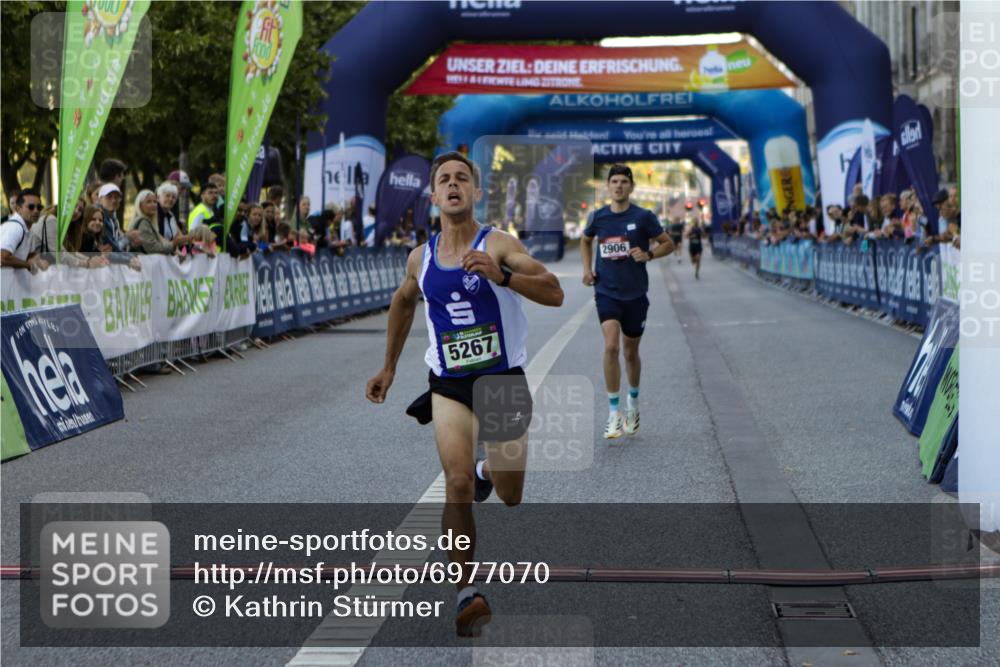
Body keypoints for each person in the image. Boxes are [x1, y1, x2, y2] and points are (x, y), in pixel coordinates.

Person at [365, 151, 563, 637]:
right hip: (449, 382)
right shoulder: (421, 256)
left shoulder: (497, 244)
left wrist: (504, 277)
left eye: (462, 179)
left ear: (475, 192)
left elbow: (554, 291)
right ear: (433, 196)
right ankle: (466, 593)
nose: (453, 185)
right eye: (444, 180)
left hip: (501, 381)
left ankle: (485, 470)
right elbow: (403, 302)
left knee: (510, 494)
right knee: (454, 486)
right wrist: (388, 368)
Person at [579, 164, 674, 439]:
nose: (619, 186)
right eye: (614, 181)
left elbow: (667, 242)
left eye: (624, 182)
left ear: (631, 187)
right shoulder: (599, 217)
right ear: (608, 187)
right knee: (610, 346)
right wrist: (587, 270)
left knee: (630, 352)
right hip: (606, 291)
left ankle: (633, 403)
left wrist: (649, 255)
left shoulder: (643, 216)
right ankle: (613, 413)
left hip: (635, 295)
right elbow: (585, 241)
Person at [29, 197, 91, 266]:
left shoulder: (64, 225)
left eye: (80, 210)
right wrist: (87, 263)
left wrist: (89, 260)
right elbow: (60, 255)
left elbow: (70, 251)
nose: (76, 211)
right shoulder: (50, 220)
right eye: (74, 206)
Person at [0, 188, 49, 273]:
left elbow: (26, 255)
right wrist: (28, 265)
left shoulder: (26, 228)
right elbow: (2, 257)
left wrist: (37, 261)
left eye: (39, 207)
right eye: (31, 207)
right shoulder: (15, 227)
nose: (36, 211)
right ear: (18, 209)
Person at [129, 190, 191, 254]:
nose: (153, 205)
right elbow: (153, 249)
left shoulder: (169, 216)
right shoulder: (143, 223)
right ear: (140, 205)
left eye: (155, 202)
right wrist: (174, 244)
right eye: (148, 202)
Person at [80, 205, 138, 270]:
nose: (98, 222)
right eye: (93, 219)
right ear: (86, 220)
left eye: (100, 220)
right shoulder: (85, 238)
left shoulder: (97, 238)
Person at [98, 183, 143, 252]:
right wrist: (128, 238)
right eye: (109, 197)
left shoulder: (113, 217)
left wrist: (130, 240)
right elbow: (113, 249)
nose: (113, 200)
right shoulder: (100, 218)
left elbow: (117, 243)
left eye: (116, 197)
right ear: (100, 199)